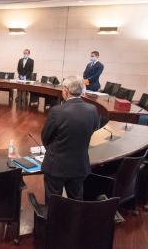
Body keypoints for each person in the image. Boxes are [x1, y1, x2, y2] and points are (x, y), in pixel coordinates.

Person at [41, 76, 100, 205]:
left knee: (53, 203)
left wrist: (53, 149)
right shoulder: (92, 110)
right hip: (80, 165)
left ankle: (54, 225)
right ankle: (74, 224)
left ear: (66, 90)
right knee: (76, 201)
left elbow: (45, 137)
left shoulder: (57, 111)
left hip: (56, 165)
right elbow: (95, 129)